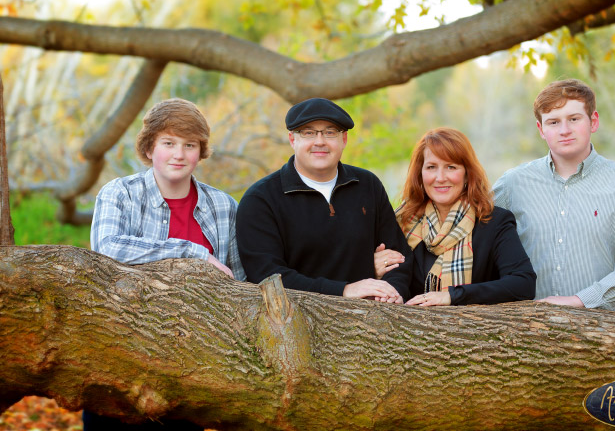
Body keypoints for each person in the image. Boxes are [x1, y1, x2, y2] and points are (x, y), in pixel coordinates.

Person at [87, 98, 243, 430]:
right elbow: (108, 247)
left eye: (190, 145)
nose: (179, 154)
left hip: (192, 368)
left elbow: (240, 281)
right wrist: (194, 253)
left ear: (200, 152)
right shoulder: (120, 194)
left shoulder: (224, 206)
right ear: (149, 148)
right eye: (168, 143)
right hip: (119, 359)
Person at [493, 78, 615, 312]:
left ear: (593, 121)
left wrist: (582, 300)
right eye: (553, 122)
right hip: (527, 334)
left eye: (574, 119)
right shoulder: (511, 185)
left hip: (602, 334)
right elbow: (474, 240)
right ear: (541, 129)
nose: (564, 130)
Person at [236, 97, 412, 302]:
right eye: (308, 132)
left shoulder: (367, 185)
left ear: (343, 139)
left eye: (330, 132)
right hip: (299, 324)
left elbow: (398, 257)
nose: (320, 141)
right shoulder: (261, 200)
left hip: (372, 315)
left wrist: (392, 293)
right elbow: (267, 277)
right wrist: (345, 289)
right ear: (293, 140)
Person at [375, 127, 536, 306]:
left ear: (467, 174)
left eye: (451, 167)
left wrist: (453, 296)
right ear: (420, 175)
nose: (440, 177)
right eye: (431, 167)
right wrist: (373, 270)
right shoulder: (403, 222)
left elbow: (523, 283)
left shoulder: (494, 222)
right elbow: (391, 284)